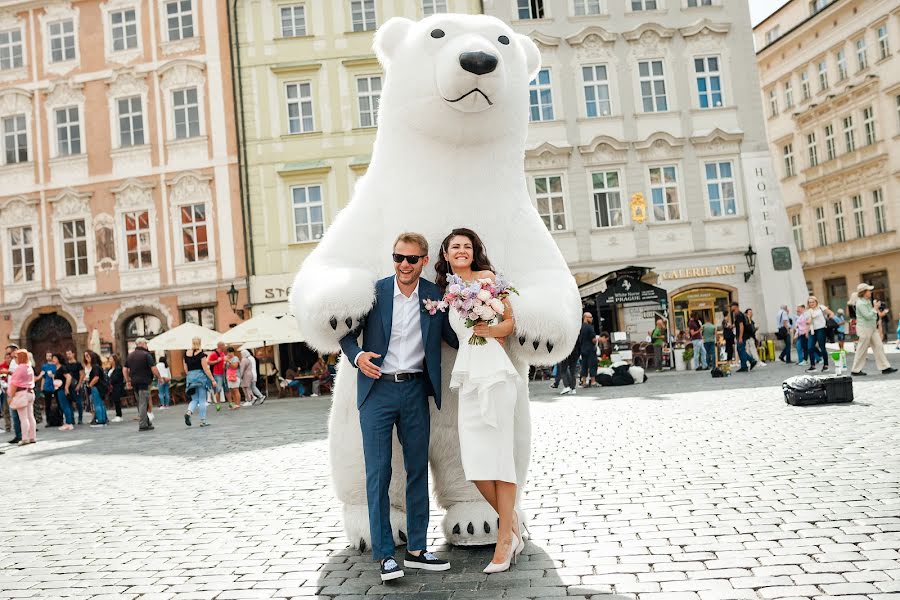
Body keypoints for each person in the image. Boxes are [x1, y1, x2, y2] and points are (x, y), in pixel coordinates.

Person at [340, 232, 456, 581]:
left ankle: (418, 550)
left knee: (418, 469)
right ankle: (386, 555)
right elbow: (346, 334)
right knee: (378, 473)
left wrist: (483, 313)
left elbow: (454, 337)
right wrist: (358, 356)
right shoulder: (374, 293)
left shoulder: (435, 295)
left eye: (410, 259)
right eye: (398, 258)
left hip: (415, 391)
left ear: (423, 261)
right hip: (377, 392)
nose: (403, 265)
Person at [434, 227, 526, 573]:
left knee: (502, 457)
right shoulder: (444, 292)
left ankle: (505, 540)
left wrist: (489, 328)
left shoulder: (488, 278)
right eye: (455, 246)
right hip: (469, 376)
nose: (461, 250)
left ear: (474, 252)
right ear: (445, 255)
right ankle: (512, 520)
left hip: (496, 374)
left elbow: (509, 323)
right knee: (473, 464)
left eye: (467, 246)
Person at [850, 282, 897, 376]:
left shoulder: (866, 301)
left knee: (879, 346)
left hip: (871, 328)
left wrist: (875, 308)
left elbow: (871, 315)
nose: (870, 292)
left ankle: (885, 367)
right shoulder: (860, 303)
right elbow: (867, 316)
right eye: (869, 290)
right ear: (864, 292)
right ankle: (855, 370)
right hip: (864, 328)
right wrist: (875, 308)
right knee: (862, 349)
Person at [124, 337, 160, 432]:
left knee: (141, 402)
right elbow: (153, 368)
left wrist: (127, 380)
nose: (147, 345)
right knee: (144, 403)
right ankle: (143, 424)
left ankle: (147, 422)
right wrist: (159, 377)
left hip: (134, 382)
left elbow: (125, 369)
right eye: (146, 344)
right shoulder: (146, 355)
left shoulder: (130, 355)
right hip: (144, 382)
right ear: (142, 344)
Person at [183, 337, 216, 427]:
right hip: (201, 378)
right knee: (202, 400)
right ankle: (203, 421)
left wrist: (190, 376)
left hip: (190, 378)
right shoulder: (201, 355)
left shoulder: (186, 354)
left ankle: (189, 412)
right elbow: (205, 368)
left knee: (194, 399)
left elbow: (185, 369)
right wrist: (212, 380)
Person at [7, 349, 36, 445]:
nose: (15, 359)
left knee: (23, 418)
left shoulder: (20, 368)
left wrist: (10, 396)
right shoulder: (29, 367)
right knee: (30, 416)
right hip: (30, 392)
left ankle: (24, 438)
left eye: (16, 357)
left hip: (21, 393)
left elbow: (14, 384)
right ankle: (32, 437)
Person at [805, 296, 833, 373]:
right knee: (810, 347)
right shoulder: (808, 311)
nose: (811, 303)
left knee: (822, 347)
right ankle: (813, 366)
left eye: (813, 302)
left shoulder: (821, 307)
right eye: (809, 302)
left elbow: (831, 313)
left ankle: (826, 365)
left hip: (821, 329)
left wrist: (828, 319)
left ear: (816, 302)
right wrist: (807, 331)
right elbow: (808, 322)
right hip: (812, 330)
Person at [84, 351, 109, 427]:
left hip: (96, 387)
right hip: (100, 387)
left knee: (97, 404)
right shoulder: (98, 366)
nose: (87, 358)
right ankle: (103, 419)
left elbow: (96, 377)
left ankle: (100, 420)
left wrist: (90, 385)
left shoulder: (95, 367)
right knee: (101, 404)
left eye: (88, 357)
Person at [731, 302, 756, 373]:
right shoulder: (739, 314)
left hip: (741, 335)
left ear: (735, 306)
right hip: (741, 335)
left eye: (731, 306)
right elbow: (739, 325)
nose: (730, 308)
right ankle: (744, 365)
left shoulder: (738, 314)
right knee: (740, 350)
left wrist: (740, 337)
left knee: (741, 349)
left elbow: (741, 326)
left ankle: (750, 361)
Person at [52, 353, 75, 431]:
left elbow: (68, 377)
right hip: (58, 388)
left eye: (55, 358)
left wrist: (66, 387)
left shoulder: (62, 368)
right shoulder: (57, 368)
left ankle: (69, 423)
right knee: (64, 406)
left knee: (65, 405)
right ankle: (68, 422)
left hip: (62, 389)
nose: (53, 360)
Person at [36, 352, 58, 428]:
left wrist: (52, 375)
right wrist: (42, 386)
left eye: (50, 356)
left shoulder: (55, 366)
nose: (48, 357)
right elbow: (43, 377)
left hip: (55, 386)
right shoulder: (44, 366)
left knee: (58, 403)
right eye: (47, 356)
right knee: (47, 405)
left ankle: (59, 419)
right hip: (47, 387)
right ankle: (48, 421)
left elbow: (57, 375)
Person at [64, 349, 85, 425]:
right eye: (67, 354)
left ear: (73, 354)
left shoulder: (78, 364)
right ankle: (72, 419)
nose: (68, 355)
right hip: (68, 385)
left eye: (69, 353)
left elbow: (82, 375)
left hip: (76, 384)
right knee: (69, 402)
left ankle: (80, 418)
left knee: (79, 402)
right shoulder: (66, 365)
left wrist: (79, 384)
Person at [577, 312, 597, 387]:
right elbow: (593, 339)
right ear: (585, 318)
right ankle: (593, 382)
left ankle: (584, 382)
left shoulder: (580, 327)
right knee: (592, 365)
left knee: (584, 365)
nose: (592, 319)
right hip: (590, 349)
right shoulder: (590, 327)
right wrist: (598, 340)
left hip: (583, 349)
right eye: (590, 317)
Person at [207, 341, 228, 407]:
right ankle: (218, 404)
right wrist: (217, 361)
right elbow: (208, 362)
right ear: (220, 346)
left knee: (227, 388)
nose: (224, 346)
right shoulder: (213, 354)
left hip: (224, 372)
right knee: (218, 389)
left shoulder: (223, 353)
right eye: (223, 345)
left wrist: (225, 362)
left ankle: (230, 402)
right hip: (217, 373)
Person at [107, 355, 125, 423]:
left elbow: (116, 378)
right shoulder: (110, 368)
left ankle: (119, 415)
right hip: (111, 387)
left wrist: (110, 380)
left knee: (117, 401)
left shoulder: (118, 368)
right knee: (115, 400)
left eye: (111, 359)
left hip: (117, 386)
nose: (110, 360)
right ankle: (117, 414)